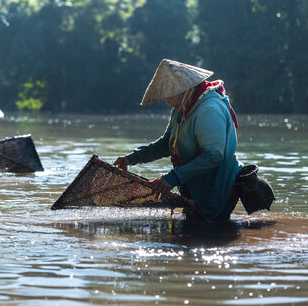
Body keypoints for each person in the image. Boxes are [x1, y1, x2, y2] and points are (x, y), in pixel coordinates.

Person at [113, 59, 274, 223]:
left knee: (210, 235)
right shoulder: (181, 108)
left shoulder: (209, 109)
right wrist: (131, 158)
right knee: (191, 233)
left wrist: (172, 178)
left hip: (217, 187)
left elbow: (213, 156)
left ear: (184, 89)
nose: (166, 101)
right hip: (194, 186)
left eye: (169, 95)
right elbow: (166, 144)